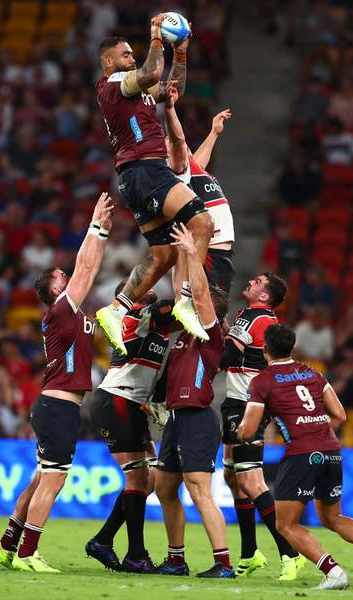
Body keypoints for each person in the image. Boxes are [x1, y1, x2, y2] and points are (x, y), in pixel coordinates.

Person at [0, 193, 114, 574]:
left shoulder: (68, 311)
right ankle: (29, 552)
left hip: (55, 405)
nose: (70, 276)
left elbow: (87, 271)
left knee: (42, 476)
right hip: (58, 406)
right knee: (53, 482)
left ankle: (9, 544)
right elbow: (86, 268)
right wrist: (96, 228)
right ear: (56, 291)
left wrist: (101, 234)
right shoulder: (62, 309)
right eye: (63, 277)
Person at [238, 324, 353, 591]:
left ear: (265, 349)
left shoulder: (262, 381)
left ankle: (332, 571)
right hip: (332, 450)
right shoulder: (312, 373)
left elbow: (248, 429)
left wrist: (239, 432)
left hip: (302, 454)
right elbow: (341, 415)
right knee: (332, 518)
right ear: (293, 348)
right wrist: (315, 427)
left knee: (285, 524)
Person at [94, 18, 215, 355]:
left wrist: (180, 53)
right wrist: (154, 37)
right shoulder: (113, 84)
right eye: (125, 54)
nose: (132, 58)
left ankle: (116, 310)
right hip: (146, 169)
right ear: (108, 62)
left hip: (136, 177)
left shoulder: (135, 88)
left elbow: (173, 87)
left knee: (164, 255)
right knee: (203, 222)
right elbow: (149, 74)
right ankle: (187, 301)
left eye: (133, 53)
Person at [153, 223, 234, 578]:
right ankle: (176, 558)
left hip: (198, 417)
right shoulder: (187, 332)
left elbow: (198, 295)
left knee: (199, 491)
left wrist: (191, 251)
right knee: (164, 488)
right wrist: (180, 257)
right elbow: (183, 290)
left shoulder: (210, 334)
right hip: (176, 418)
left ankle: (223, 562)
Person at [84, 281, 174, 573]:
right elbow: (174, 308)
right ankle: (136, 555)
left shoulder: (152, 325)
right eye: (145, 284)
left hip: (129, 403)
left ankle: (103, 540)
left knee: (146, 482)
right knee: (138, 481)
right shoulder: (135, 314)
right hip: (118, 399)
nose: (151, 286)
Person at [217, 272, 301, 579]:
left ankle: (290, 552)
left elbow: (227, 357)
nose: (250, 282)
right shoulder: (250, 316)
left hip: (247, 404)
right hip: (235, 401)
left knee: (252, 481)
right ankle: (250, 553)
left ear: (264, 296)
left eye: (257, 282)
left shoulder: (256, 318)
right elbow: (241, 348)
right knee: (233, 477)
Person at [163, 81, 235, 293]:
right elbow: (178, 139)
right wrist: (170, 108)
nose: (184, 146)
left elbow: (198, 162)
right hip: (210, 247)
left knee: (214, 309)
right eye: (174, 145)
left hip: (219, 245)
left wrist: (214, 133)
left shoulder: (192, 169)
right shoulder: (176, 166)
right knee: (207, 306)